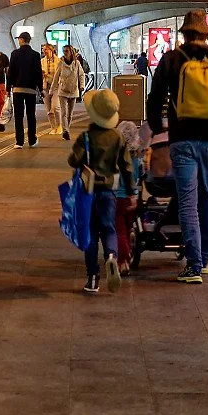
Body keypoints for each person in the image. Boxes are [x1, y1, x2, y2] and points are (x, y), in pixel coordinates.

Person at [146, 10, 208, 284]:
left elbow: (155, 98)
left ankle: (193, 265)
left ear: (184, 34)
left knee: (187, 199)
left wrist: (158, 127)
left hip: (182, 137)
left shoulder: (173, 59)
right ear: (206, 34)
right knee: (207, 197)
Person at [68, 88, 137, 294]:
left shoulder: (86, 137)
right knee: (109, 229)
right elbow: (127, 167)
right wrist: (132, 191)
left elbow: (74, 160)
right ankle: (111, 257)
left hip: (88, 192)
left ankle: (92, 279)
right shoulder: (118, 137)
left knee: (90, 234)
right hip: (110, 191)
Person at [7, 31, 44, 147]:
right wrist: (41, 88)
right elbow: (38, 73)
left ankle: (19, 142)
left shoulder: (14, 54)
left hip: (17, 89)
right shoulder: (36, 55)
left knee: (18, 116)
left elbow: (10, 72)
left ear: (22, 40)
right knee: (31, 115)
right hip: (31, 90)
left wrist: (8, 88)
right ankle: (32, 140)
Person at [51, 44, 87, 136]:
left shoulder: (77, 63)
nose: (65, 53)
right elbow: (56, 77)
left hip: (73, 90)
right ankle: (65, 131)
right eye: (64, 51)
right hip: (62, 90)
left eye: (67, 51)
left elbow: (81, 75)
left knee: (70, 114)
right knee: (64, 113)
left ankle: (67, 128)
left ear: (71, 52)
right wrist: (52, 89)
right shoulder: (61, 63)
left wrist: (82, 86)